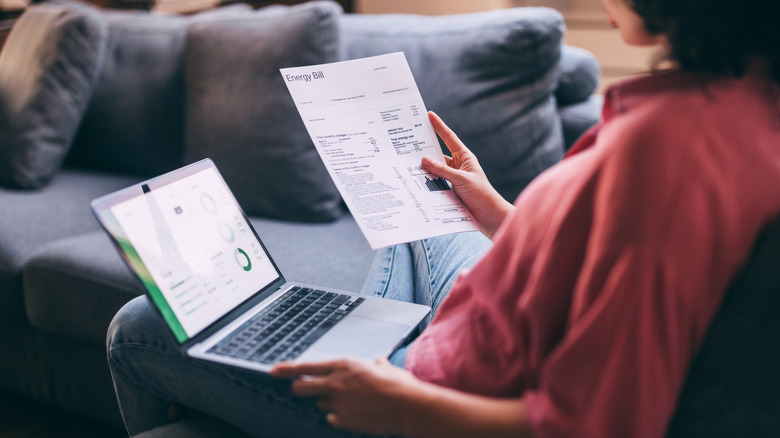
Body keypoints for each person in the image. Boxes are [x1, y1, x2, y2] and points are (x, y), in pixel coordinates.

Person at [107, 0, 780, 437]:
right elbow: (608, 259)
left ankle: (309, 365)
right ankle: (328, 335)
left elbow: (597, 424)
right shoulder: (748, 108)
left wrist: (398, 404)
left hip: (439, 391)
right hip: (491, 327)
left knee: (137, 325)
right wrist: (496, 211)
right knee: (421, 202)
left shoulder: (668, 149)